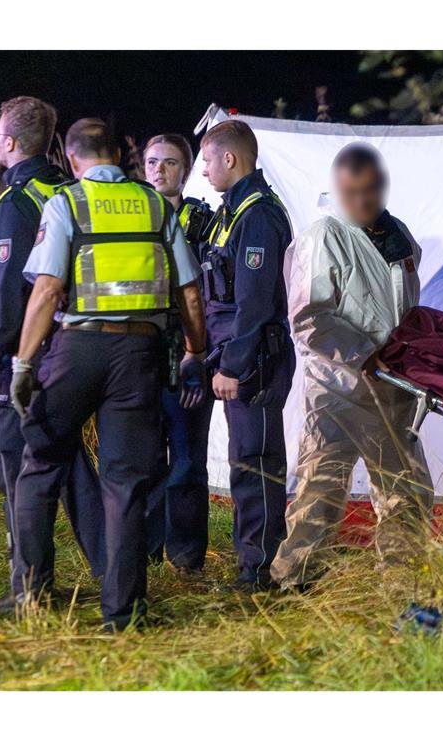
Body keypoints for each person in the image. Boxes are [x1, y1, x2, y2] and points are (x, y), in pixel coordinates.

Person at [8, 118, 208, 631]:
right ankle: (124, 614)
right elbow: (188, 291)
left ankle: (28, 595)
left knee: (41, 465)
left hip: (78, 349)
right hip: (138, 357)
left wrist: (25, 363)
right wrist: (194, 349)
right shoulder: (157, 206)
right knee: (126, 483)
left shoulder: (67, 203)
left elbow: (49, 289)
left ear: (73, 159)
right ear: (121, 155)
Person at [271, 142, 434, 590]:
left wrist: (405, 360)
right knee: (319, 491)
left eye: (371, 191)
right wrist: (365, 356)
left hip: (390, 388)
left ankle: (403, 581)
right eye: (353, 192)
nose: (363, 201)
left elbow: (404, 307)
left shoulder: (398, 235)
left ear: (382, 187)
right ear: (338, 188)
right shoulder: (323, 236)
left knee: (406, 492)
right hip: (337, 389)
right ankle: (293, 581)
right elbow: (309, 318)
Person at [0, 96, 105, 608]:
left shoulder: (16, 200)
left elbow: (7, 294)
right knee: (67, 462)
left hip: (21, 355)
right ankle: (111, 572)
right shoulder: (66, 189)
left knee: (15, 467)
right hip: (71, 347)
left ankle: (30, 587)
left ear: (8, 141)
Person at [198, 120, 295, 591]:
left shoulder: (257, 215)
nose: (204, 172)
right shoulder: (232, 212)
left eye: (208, 161)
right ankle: (252, 561)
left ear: (230, 159)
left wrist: (233, 367)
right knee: (245, 461)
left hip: (255, 362)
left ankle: (260, 573)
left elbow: (254, 304)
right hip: (239, 356)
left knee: (255, 463)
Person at [142, 133, 215, 574]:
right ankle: (146, 554)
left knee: (188, 460)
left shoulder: (204, 222)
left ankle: (186, 559)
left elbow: (209, 294)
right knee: (145, 458)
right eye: (151, 162)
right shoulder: (134, 221)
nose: (158, 170)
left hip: (188, 353)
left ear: (185, 171)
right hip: (142, 356)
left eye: (169, 163)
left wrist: (199, 355)